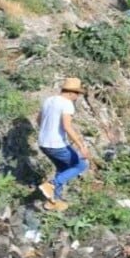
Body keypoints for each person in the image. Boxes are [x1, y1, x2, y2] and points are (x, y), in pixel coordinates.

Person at [37, 78, 91, 211]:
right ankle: (51, 185)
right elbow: (67, 126)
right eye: (77, 94)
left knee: (62, 169)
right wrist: (81, 146)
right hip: (56, 144)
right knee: (81, 165)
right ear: (71, 92)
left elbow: (38, 120)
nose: (77, 97)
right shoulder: (67, 103)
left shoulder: (48, 100)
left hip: (43, 143)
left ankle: (53, 202)